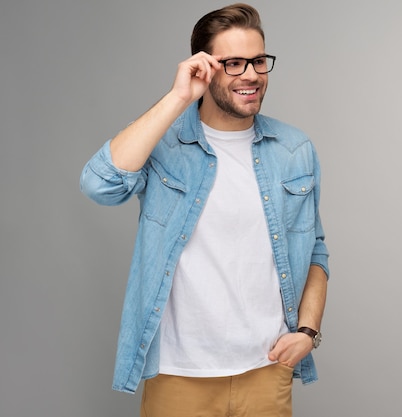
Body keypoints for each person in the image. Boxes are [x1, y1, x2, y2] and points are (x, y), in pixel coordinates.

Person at [79, 3, 329, 416]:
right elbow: (98, 185)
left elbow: (315, 250)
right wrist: (178, 97)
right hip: (180, 374)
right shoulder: (164, 145)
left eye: (258, 61)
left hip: (267, 369)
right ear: (205, 67)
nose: (250, 74)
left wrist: (307, 331)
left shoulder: (294, 150)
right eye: (233, 63)